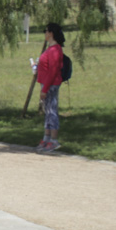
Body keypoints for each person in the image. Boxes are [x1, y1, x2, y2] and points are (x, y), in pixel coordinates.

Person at [35, 23, 65, 153]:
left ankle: (54, 140)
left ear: (51, 33)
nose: (45, 33)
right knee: (48, 112)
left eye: (45, 31)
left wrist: (45, 89)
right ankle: (46, 138)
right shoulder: (50, 49)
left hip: (51, 84)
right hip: (46, 83)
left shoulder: (55, 50)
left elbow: (53, 72)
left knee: (52, 111)